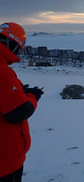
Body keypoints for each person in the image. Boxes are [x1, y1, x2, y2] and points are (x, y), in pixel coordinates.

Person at [0, 22, 43, 182]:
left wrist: (18, 92)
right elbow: (19, 112)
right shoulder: (2, 71)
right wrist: (32, 96)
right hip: (5, 162)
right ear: (9, 43)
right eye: (18, 48)